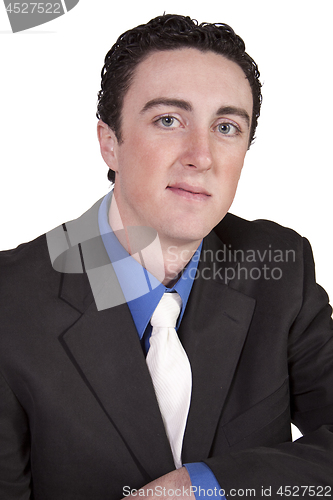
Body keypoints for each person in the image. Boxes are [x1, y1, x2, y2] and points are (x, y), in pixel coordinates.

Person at [0, 13, 332, 500]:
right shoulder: (11, 301)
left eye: (225, 126)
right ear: (109, 143)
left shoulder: (279, 267)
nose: (201, 155)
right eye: (168, 120)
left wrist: (202, 486)